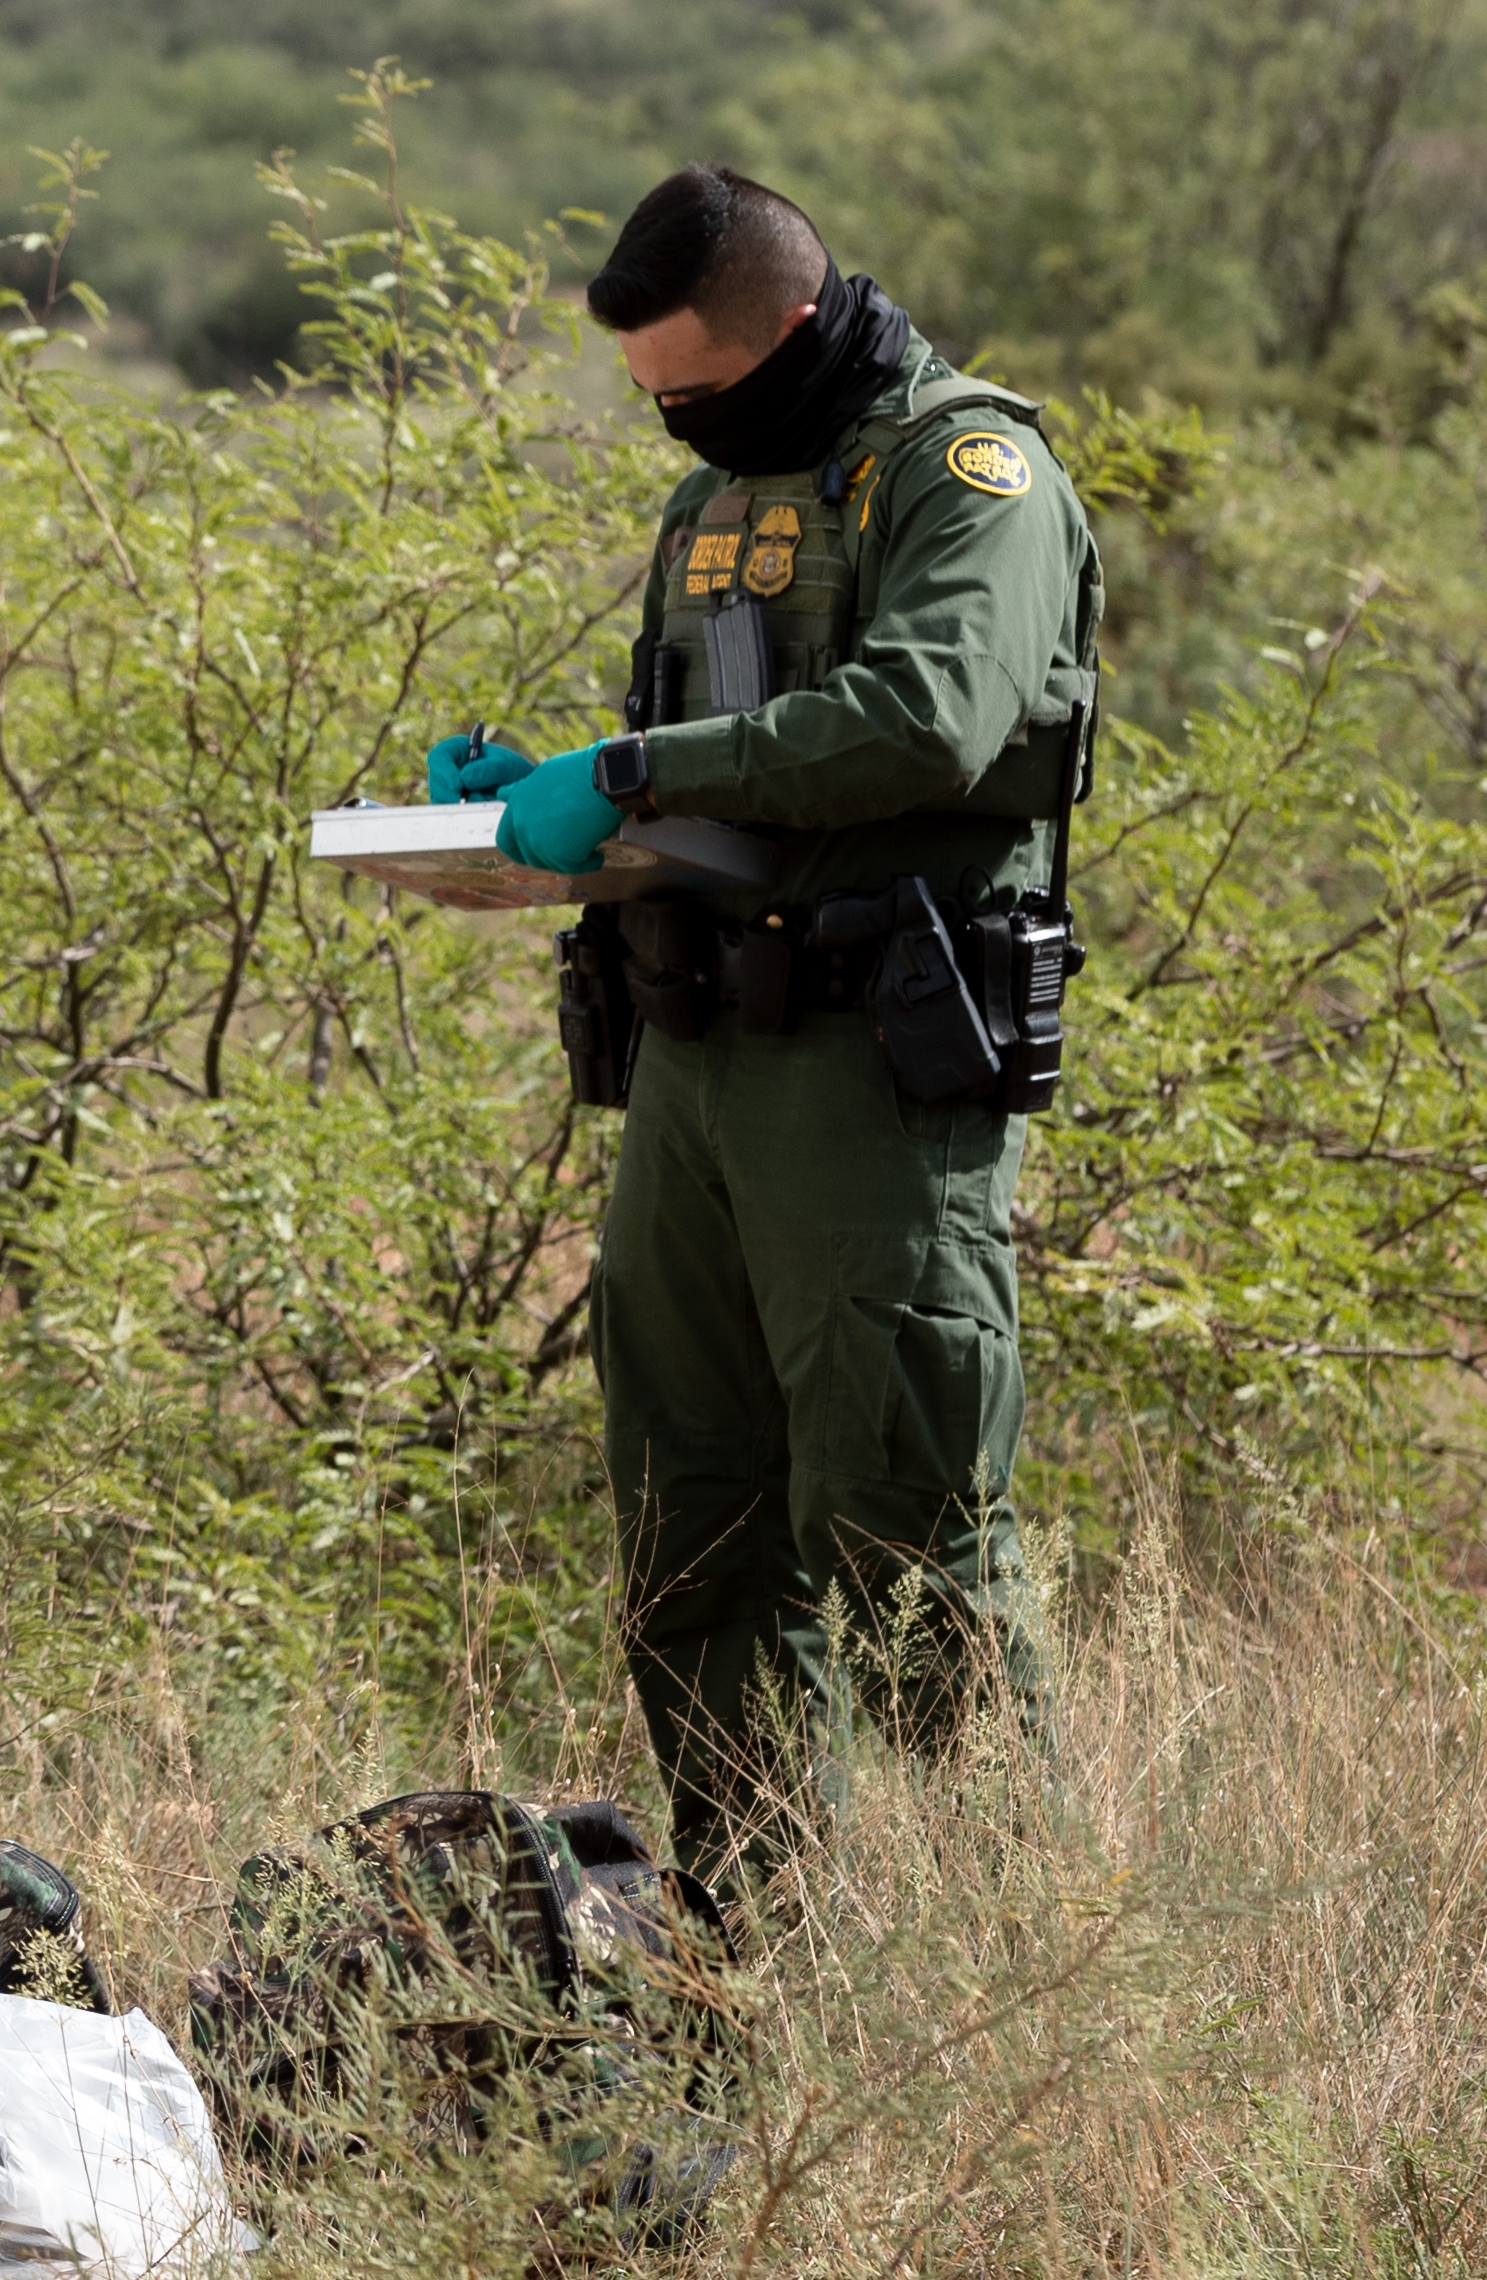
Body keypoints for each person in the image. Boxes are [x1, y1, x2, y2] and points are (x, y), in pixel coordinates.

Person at [428, 167, 1092, 1887]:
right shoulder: (723, 499)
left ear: (788, 333)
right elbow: (726, 755)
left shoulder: (968, 473)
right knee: (688, 1532)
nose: (671, 422)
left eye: (692, 390)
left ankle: (1017, 1965)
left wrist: (636, 775)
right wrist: (536, 804)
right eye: (648, 396)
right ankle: (765, 1949)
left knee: (904, 1530)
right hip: (697, 1067)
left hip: (872, 1077)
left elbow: (926, 718)